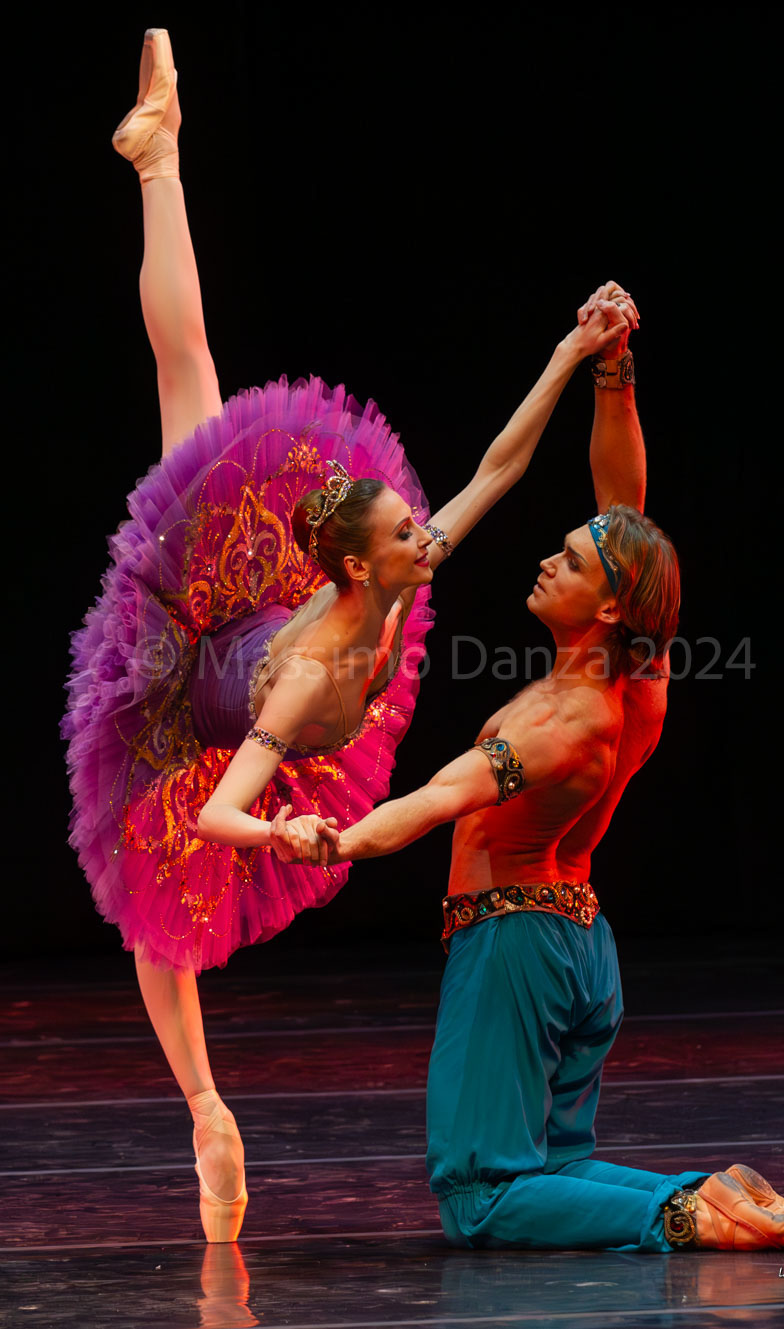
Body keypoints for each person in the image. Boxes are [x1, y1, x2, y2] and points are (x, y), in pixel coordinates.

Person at [62, 29, 634, 1243]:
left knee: (191, 373)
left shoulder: (390, 573)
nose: (426, 538)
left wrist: (571, 352)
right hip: (203, 686)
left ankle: (161, 158)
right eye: (404, 531)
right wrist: (293, 831)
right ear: (364, 564)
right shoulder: (316, 663)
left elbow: (495, 467)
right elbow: (220, 816)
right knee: (157, 905)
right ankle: (207, 1107)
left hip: (254, 623)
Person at [278, 290, 784, 1254]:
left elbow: (431, 802)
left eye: (572, 561)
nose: (549, 558)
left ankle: (685, 1209)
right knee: (556, 1165)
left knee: (481, 1192)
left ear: (609, 604)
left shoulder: (558, 720)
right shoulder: (639, 670)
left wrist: (331, 839)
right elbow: (623, 505)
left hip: (517, 949)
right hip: (583, 947)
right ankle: (708, 1191)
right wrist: (613, 366)